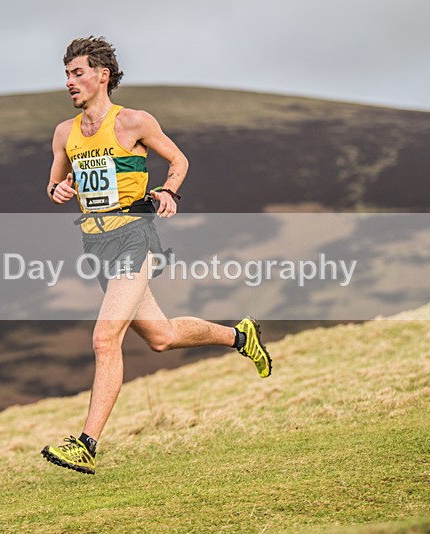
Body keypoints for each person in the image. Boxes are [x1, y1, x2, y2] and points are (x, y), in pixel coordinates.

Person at [41, 36, 271, 475]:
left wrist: (168, 190)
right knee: (162, 337)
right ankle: (241, 337)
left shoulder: (133, 122)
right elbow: (54, 187)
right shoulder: (64, 133)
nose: (70, 82)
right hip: (97, 246)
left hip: (135, 238)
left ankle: (86, 444)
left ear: (102, 75)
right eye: (67, 74)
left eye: (78, 73)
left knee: (105, 339)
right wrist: (59, 189)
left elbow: (179, 160)